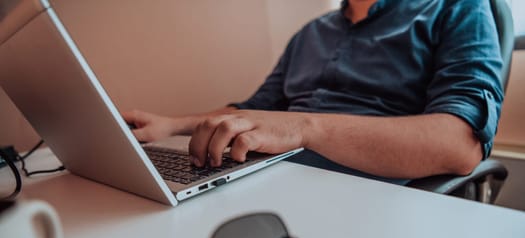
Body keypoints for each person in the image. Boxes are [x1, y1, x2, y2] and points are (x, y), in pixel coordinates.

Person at [122, 0, 503, 185]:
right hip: (257, 175)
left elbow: (460, 145)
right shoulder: (311, 32)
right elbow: (254, 110)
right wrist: (171, 125)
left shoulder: (457, 7)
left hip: (356, 194)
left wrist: (305, 128)